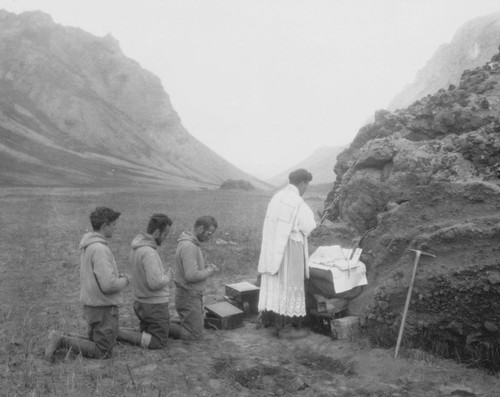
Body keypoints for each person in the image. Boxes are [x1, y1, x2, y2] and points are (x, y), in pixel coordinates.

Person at [45, 206, 131, 361]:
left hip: (92, 305)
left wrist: (117, 277)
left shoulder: (89, 245)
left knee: (94, 342)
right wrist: (125, 280)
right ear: (105, 226)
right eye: (113, 225)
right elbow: (108, 285)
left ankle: (58, 337)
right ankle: (62, 340)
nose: (115, 229)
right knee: (103, 351)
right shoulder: (100, 249)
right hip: (103, 308)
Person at [257, 169, 317, 338]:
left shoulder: (276, 197)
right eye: (307, 185)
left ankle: (269, 320)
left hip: (273, 248)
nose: (306, 189)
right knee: (290, 287)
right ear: (303, 183)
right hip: (290, 249)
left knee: (276, 285)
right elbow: (308, 226)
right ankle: (287, 328)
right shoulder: (298, 202)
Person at [119, 214, 173, 349]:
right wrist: (168, 276)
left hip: (141, 303)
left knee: (146, 334)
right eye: (165, 234)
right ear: (156, 232)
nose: (165, 238)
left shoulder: (136, 248)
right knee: (159, 342)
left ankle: (120, 333)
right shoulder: (149, 252)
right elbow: (154, 284)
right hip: (154, 306)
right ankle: (118, 333)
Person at [170, 216, 219, 340]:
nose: (210, 237)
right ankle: (159, 326)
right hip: (189, 296)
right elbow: (191, 276)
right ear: (200, 228)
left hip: (189, 295)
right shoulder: (189, 246)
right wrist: (209, 270)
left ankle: (161, 324)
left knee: (196, 327)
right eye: (209, 233)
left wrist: (205, 268)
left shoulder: (191, 244)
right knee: (194, 336)